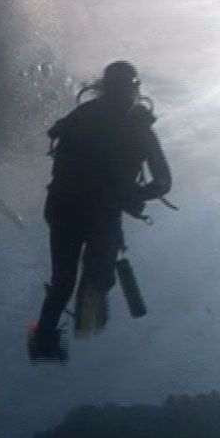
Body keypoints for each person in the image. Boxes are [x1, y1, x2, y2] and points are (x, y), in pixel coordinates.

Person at [30, 61, 173, 362]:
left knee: (65, 283)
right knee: (88, 282)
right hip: (95, 212)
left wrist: (131, 194)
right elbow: (163, 181)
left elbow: (57, 146)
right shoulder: (137, 127)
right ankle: (73, 324)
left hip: (67, 208)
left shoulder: (85, 116)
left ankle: (47, 337)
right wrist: (135, 194)